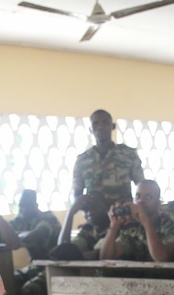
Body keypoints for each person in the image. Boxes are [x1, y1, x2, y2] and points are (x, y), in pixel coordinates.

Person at [57, 109, 144, 255]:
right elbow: (77, 195)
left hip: (122, 221)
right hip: (95, 222)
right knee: (67, 252)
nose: (100, 127)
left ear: (113, 126)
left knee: (104, 254)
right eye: (95, 123)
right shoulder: (82, 160)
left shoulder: (128, 155)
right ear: (90, 129)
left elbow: (141, 187)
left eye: (105, 122)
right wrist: (87, 212)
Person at [10, 188, 62, 262]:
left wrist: (16, 235)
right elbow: (4, 231)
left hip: (54, 264)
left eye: (28, 205)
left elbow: (33, 236)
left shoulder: (48, 217)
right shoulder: (20, 221)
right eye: (21, 206)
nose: (24, 209)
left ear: (36, 205)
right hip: (37, 265)